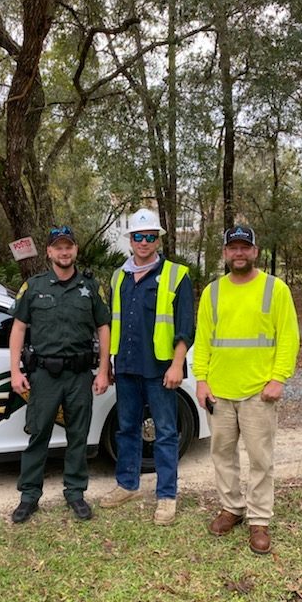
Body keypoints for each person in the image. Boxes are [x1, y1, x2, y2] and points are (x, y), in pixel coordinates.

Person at [193, 224, 300, 554]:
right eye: (233, 248)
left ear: (255, 251)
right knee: (222, 455)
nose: (239, 253)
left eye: (245, 247)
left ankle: (259, 520)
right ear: (225, 253)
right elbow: (204, 339)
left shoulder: (275, 289)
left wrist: (278, 378)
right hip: (220, 392)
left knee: (259, 459)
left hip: (259, 392)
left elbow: (288, 337)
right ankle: (232, 508)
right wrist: (201, 379)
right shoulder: (212, 292)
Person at [99, 208, 195, 525]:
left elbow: (184, 326)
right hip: (125, 367)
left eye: (150, 236)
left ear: (158, 239)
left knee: (166, 433)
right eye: (138, 236)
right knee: (127, 429)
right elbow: (113, 322)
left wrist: (177, 365)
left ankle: (166, 497)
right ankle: (127, 485)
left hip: (160, 369)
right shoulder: (119, 276)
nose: (144, 242)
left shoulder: (177, 275)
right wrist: (108, 363)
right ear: (130, 239)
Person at [9, 226, 111, 523]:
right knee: (38, 435)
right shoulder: (34, 286)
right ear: (49, 252)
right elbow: (18, 328)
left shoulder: (91, 287)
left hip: (80, 375)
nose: (64, 252)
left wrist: (103, 370)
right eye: (58, 247)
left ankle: (75, 492)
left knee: (78, 435)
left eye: (69, 247)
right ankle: (29, 496)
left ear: (75, 250)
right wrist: (15, 370)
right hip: (44, 376)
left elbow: (103, 327)